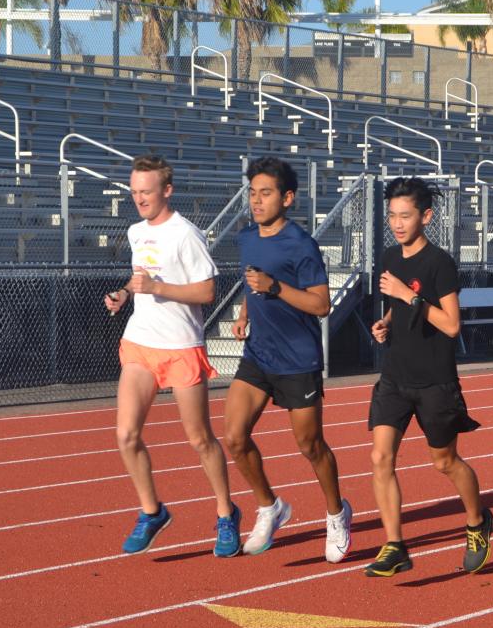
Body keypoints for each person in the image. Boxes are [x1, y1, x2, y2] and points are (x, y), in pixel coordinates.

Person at [104, 154, 242, 556]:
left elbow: (206, 292)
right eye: (134, 192)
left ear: (167, 190)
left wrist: (157, 289)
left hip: (181, 346)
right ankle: (152, 511)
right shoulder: (135, 231)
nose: (139, 199)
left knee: (200, 439)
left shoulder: (186, 234)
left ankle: (225, 514)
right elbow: (141, 278)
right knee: (126, 434)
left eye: (145, 191)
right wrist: (124, 294)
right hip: (141, 342)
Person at [221, 156, 355, 561]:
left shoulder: (302, 245)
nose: (256, 201)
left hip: (298, 359)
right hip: (259, 355)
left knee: (310, 446)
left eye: (266, 193)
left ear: (287, 197)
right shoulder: (247, 237)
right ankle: (269, 507)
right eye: (253, 193)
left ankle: (337, 513)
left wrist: (275, 287)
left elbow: (321, 305)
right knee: (234, 437)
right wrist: (245, 315)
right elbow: (252, 280)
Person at [365, 176, 493, 577]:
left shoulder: (439, 263)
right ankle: (395, 545)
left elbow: (452, 325)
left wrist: (407, 296)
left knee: (445, 462)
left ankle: (477, 522)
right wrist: (385, 322)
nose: (397, 224)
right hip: (395, 376)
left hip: (435, 379)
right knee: (380, 457)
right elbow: (398, 309)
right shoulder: (388, 257)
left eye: (406, 216)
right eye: (392, 216)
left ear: (426, 216)